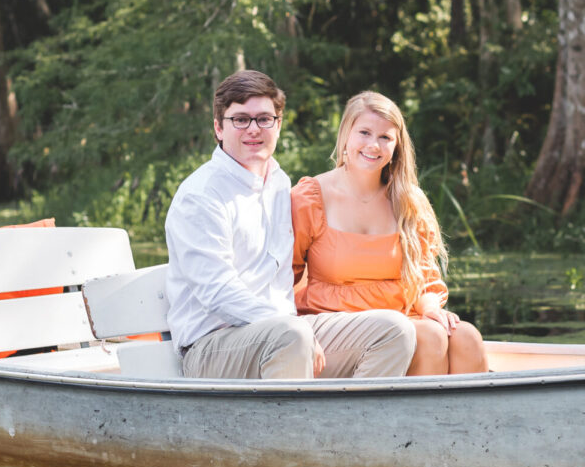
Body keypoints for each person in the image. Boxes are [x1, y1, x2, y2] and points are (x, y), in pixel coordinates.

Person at [165, 70, 416, 380]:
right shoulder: (202, 195)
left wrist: (294, 325)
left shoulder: (279, 183)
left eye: (264, 119)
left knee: (395, 331)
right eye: (240, 119)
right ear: (218, 127)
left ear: (279, 124)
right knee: (290, 336)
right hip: (212, 345)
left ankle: (350, 425)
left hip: (286, 332)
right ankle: (294, 429)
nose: (254, 129)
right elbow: (217, 292)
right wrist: (290, 326)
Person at [292, 91, 489, 376]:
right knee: (429, 337)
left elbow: (423, 276)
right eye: (364, 132)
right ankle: (415, 420)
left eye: (385, 137)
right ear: (346, 133)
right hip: (337, 326)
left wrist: (432, 309)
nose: (374, 145)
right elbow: (283, 277)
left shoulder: (407, 200)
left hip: (401, 317)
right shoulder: (309, 197)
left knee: (466, 336)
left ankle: (465, 421)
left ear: (397, 146)